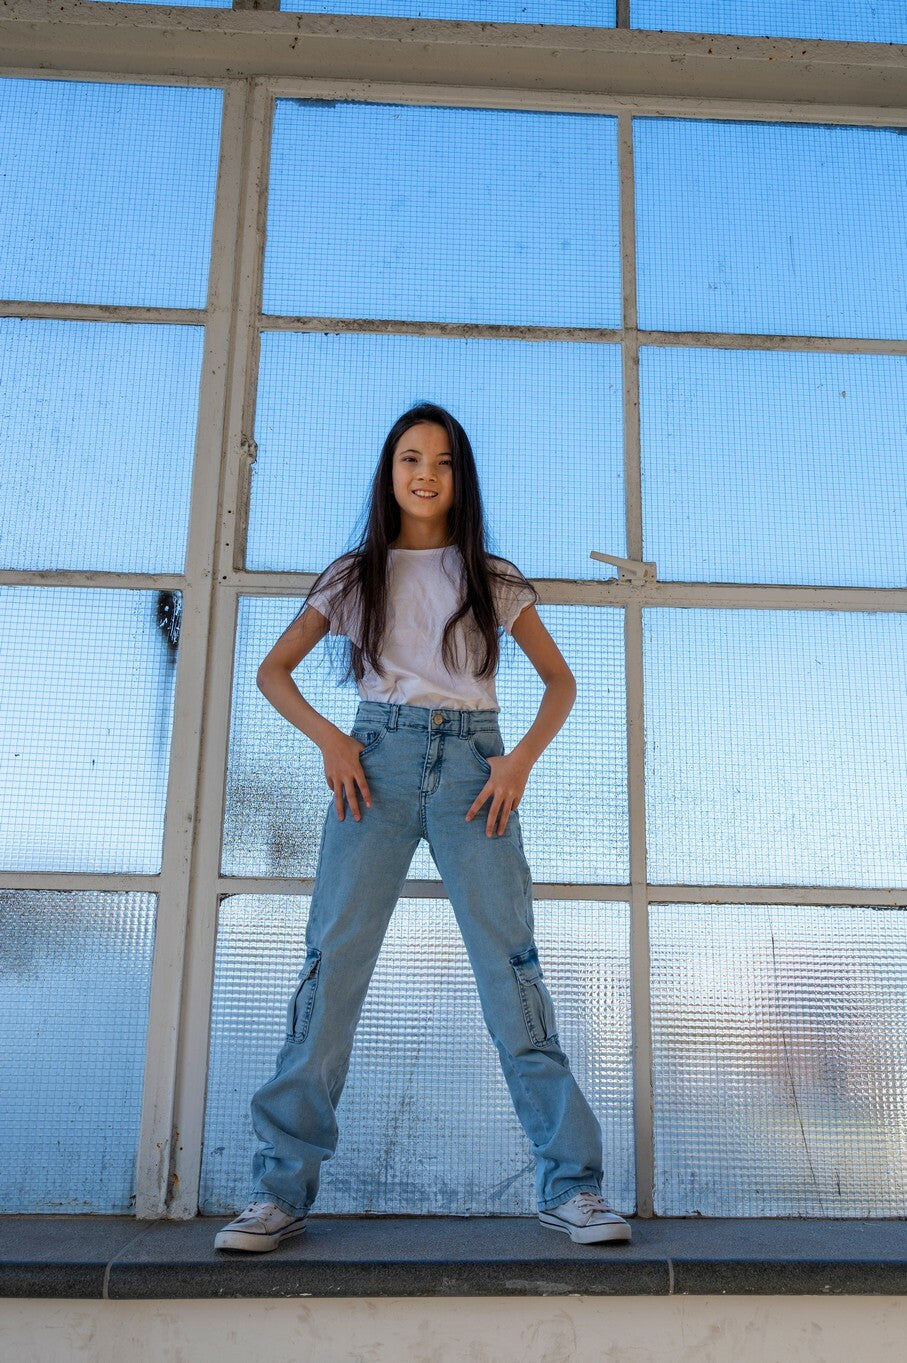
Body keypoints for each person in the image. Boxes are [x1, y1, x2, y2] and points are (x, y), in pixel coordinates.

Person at [214, 401, 632, 1252]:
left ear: (459, 478)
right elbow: (272, 670)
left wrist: (516, 762)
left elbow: (560, 681)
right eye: (410, 458)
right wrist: (333, 740)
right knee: (333, 964)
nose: (425, 473)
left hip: (476, 770)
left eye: (442, 461)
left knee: (510, 969)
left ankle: (573, 1189)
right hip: (374, 763)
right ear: (390, 471)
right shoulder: (353, 575)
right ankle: (277, 1193)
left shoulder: (491, 576)